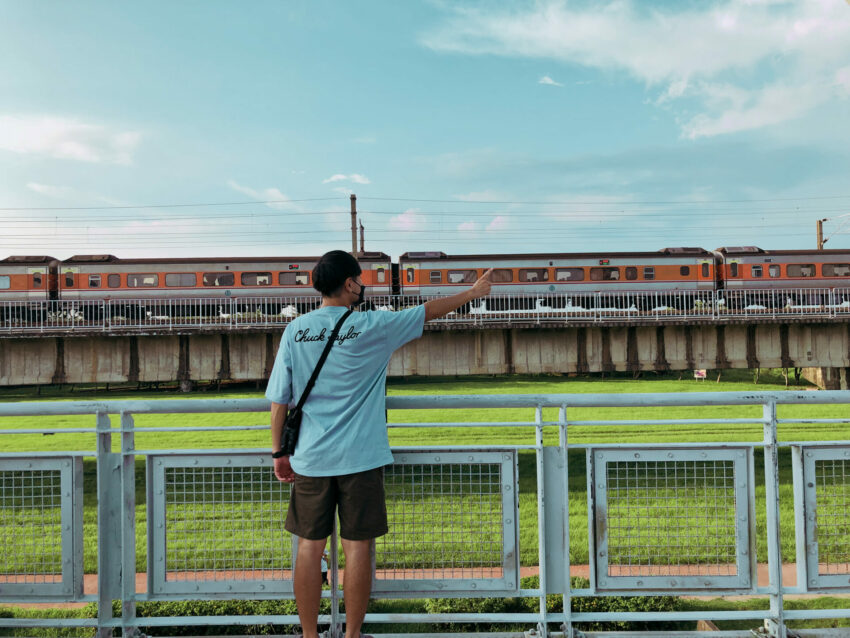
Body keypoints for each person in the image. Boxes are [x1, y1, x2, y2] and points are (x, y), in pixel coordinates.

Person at [267, 250, 492, 638]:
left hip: (310, 459)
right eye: (359, 279)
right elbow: (429, 310)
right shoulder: (374, 326)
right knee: (358, 549)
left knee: (308, 548)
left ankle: (309, 636)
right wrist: (473, 292)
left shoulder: (295, 331)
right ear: (350, 283)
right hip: (361, 458)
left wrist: (278, 453)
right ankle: (352, 635)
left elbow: (279, 402)